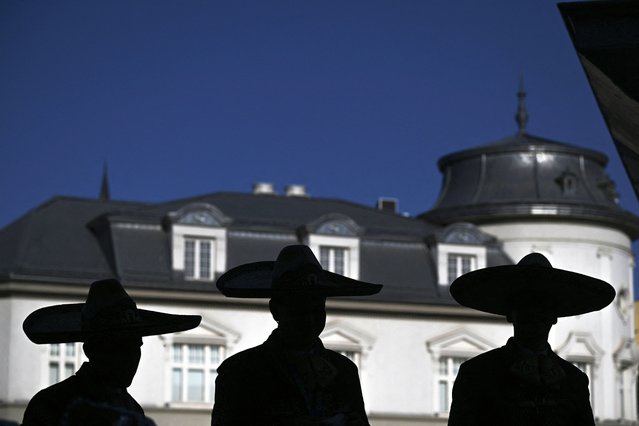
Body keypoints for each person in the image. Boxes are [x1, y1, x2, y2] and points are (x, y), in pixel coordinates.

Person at [210, 245, 383, 425]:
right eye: (299, 309)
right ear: (275, 310)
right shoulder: (240, 372)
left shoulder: (345, 371)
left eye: (316, 308)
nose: (309, 319)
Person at [447, 253, 615, 426]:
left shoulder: (574, 381)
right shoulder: (476, 375)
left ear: (554, 316)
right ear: (511, 314)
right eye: (526, 305)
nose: (534, 314)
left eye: (543, 306)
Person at [22, 279, 201, 426]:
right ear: (91, 350)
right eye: (119, 347)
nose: (130, 357)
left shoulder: (131, 408)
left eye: (136, 346)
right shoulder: (53, 404)